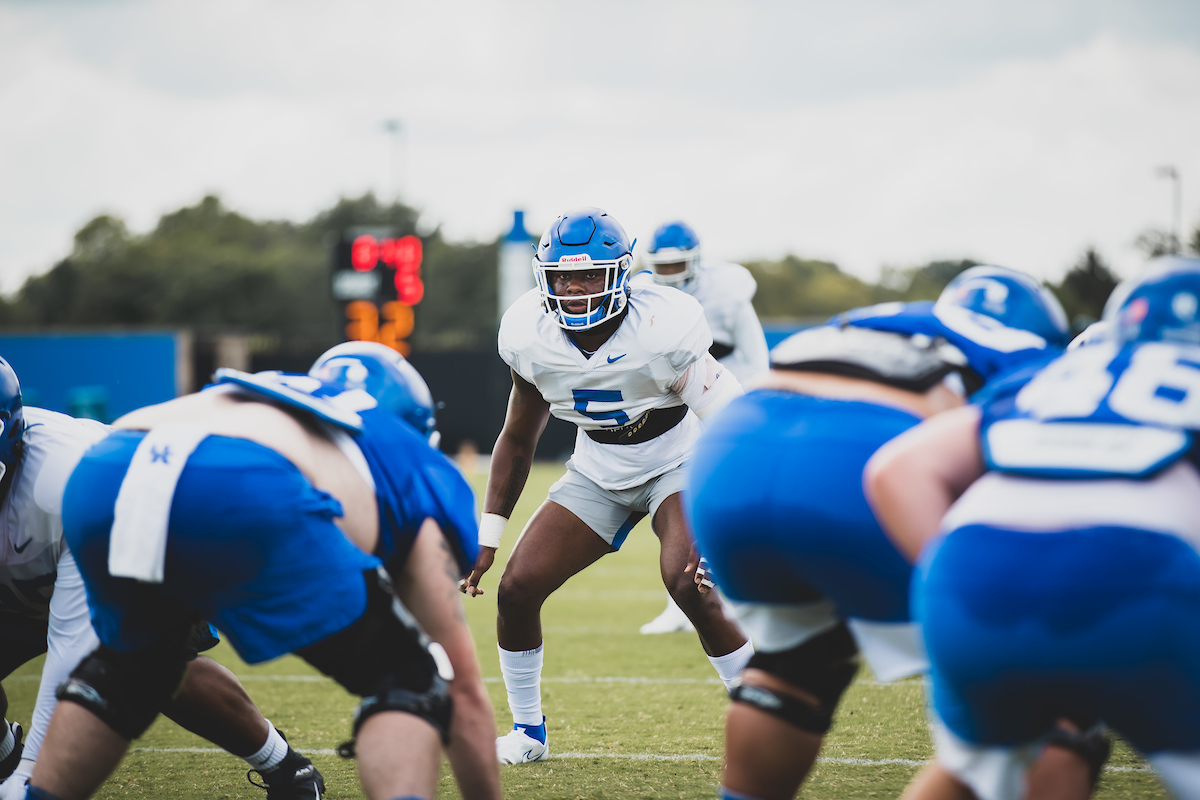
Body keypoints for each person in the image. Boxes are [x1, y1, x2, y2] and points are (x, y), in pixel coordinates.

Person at [27, 343, 500, 800]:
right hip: (240, 478)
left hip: (107, 468)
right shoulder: (410, 455)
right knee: (410, 678)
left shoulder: (269, 391)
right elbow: (462, 685)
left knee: (129, 669)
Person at [686, 266, 1083, 800]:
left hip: (731, 452)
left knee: (794, 669)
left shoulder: (876, 318)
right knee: (1047, 712)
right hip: (862, 459)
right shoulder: (1034, 356)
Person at [866, 255, 1200, 800]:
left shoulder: (1060, 378)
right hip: (1144, 572)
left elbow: (897, 469)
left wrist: (955, 583)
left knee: (976, 765)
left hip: (973, 569)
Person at [459, 207, 753, 764]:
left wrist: (726, 519)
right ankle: (527, 733)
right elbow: (517, 438)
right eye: (562, 276)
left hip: (681, 461)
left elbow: (736, 431)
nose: (573, 289)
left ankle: (763, 710)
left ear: (620, 274)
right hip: (598, 469)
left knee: (687, 581)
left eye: (589, 275)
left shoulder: (663, 326)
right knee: (517, 590)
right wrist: (489, 534)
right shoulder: (529, 335)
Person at [0, 358, 326, 800]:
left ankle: (287, 769)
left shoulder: (65, 481)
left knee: (154, 670)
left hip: (121, 551)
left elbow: (72, 657)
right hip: (25, 582)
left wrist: (30, 784)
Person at [639, 220, 769, 635]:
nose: (672, 272)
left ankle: (742, 596)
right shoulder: (644, 294)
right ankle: (680, 604)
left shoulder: (727, 292)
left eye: (679, 263)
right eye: (665, 264)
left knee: (729, 501)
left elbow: (755, 353)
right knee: (681, 505)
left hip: (723, 400)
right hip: (677, 407)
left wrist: (749, 404)